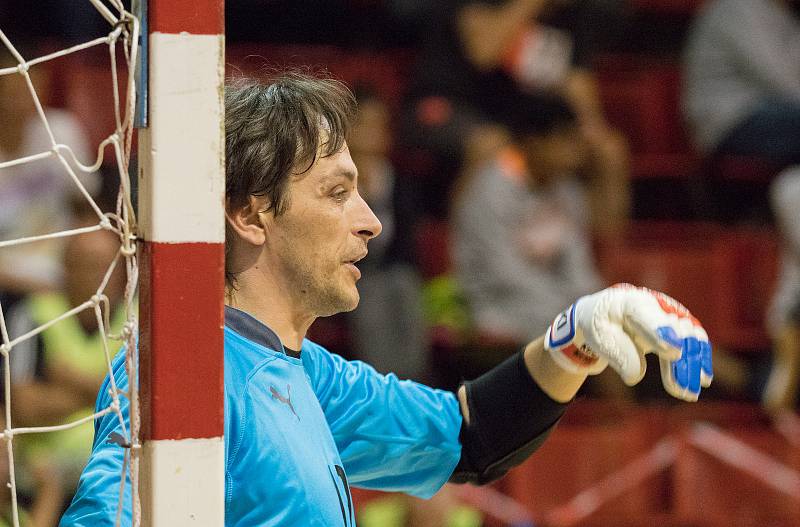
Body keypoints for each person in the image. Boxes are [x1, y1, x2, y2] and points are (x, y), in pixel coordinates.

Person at [61, 72, 712, 526]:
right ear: (252, 214)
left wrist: (575, 336)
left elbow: (471, 435)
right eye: (338, 192)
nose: (372, 220)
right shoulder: (184, 374)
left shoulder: (311, 374)